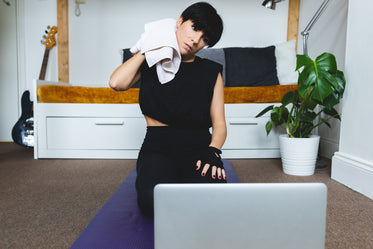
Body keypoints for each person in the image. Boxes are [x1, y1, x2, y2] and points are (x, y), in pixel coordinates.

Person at [109, 2, 226, 217]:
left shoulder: (211, 72)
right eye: (194, 28)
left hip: (199, 147)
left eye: (205, 39)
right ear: (180, 21)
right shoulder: (154, 61)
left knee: (212, 204)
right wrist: (151, 47)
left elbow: (219, 124)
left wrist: (214, 151)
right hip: (158, 146)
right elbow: (117, 83)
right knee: (152, 202)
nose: (196, 40)